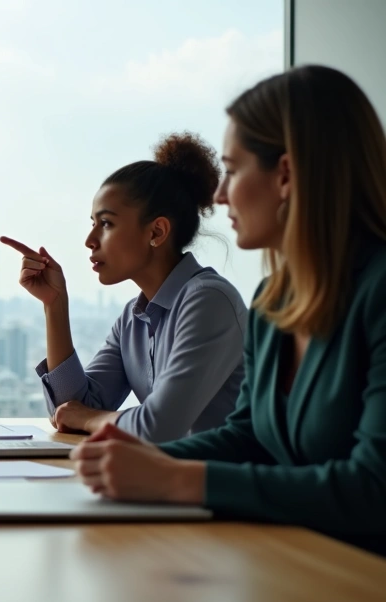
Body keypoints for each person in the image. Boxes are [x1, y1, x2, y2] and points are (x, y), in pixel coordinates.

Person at [72, 65, 386, 556]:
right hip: (293, 567)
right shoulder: (272, 303)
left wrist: (177, 479)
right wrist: (135, 464)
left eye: (233, 171)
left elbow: (375, 488)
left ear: (284, 175)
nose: (218, 195)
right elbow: (248, 437)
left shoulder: (378, 293)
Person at [1, 133, 247, 443]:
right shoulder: (133, 319)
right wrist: (54, 305)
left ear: (156, 231)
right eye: (93, 223)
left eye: (106, 224)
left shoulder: (209, 302)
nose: (89, 240)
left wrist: (88, 417)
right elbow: (71, 411)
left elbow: (156, 426)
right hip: (167, 483)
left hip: (221, 487)